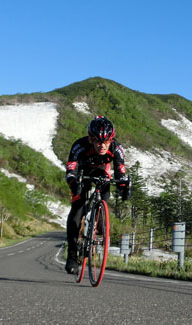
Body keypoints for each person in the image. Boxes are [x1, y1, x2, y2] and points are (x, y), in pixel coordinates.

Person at [64, 115, 131, 274]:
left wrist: (124, 186)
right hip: (83, 172)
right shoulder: (79, 146)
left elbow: (120, 171)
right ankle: (72, 255)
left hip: (103, 173)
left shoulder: (117, 148)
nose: (102, 145)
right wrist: (74, 184)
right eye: (99, 141)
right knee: (77, 211)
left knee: (104, 208)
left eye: (107, 141)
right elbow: (71, 170)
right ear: (91, 139)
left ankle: (97, 225)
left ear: (111, 139)